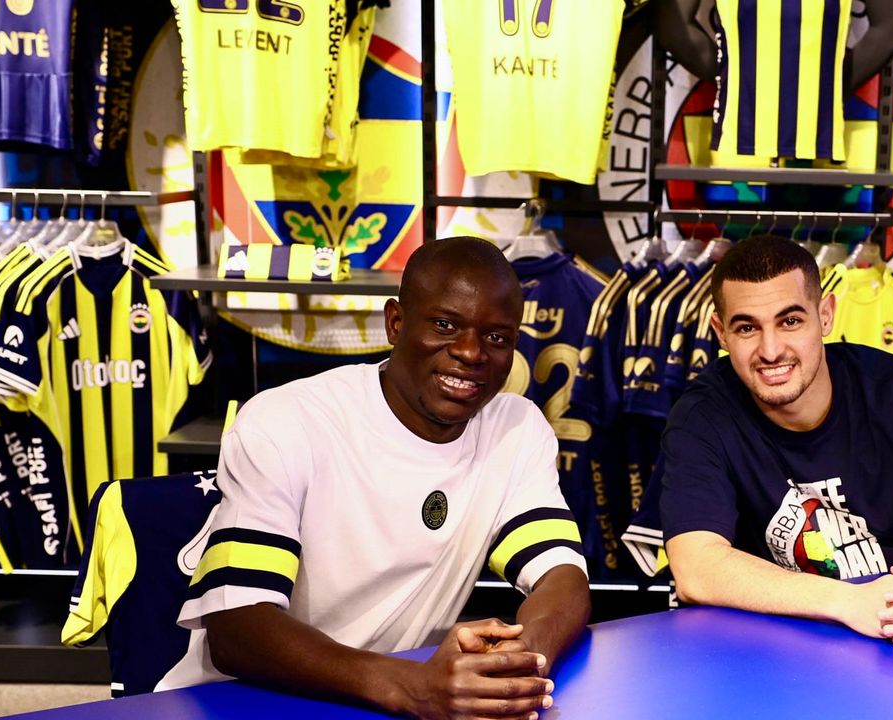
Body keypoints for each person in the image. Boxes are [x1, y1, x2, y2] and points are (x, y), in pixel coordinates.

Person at [157, 237, 592, 717]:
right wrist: (413, 688)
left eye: (497, 338)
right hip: (246, 700)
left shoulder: (516, 428)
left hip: (389, 699)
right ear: (396, 322)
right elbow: (236, 629)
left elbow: (562, 576)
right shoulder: (286, 421)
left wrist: (520, 664)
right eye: (445, 325)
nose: (471, 352)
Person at [660, 236, 893, 645]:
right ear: (721, 333)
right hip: (767, 648)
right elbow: (695, 567)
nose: (771, 350)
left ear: (826, 315)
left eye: (790, 321)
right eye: (747, 328)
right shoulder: (700, 417)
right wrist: (848, 601)